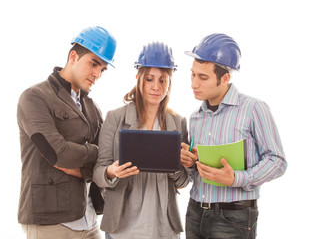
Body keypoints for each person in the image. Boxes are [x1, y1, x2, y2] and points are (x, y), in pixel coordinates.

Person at [180, 33, 287, 238]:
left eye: (203, 77)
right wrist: (189, 163)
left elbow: (278, 161)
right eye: (193, 74)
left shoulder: (254, 108)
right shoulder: (195, 117)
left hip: (233, 218)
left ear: (225, 78)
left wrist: (237, 178)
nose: (194, 83)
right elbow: (195, 176)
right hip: (194, 213)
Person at [17, 26, 117, 239]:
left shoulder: (92, 107)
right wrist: (95, 152)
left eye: (103, 69)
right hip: (51, 223)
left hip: (89, 221)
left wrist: (84, 170)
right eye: (93, 63)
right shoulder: (34, 98)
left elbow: (107, 160)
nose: (97, 74)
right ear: (73, 56)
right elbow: (57, 153)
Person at [93, 42, 189, 239]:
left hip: (163, 225)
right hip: (123, 224)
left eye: (163, 80)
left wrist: (177, 163)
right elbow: (98, 173)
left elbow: (183, 182)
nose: (156, 87)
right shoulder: (115, 118)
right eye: (149, 79)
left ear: (169, 83)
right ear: (138, 79)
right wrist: (112, 171)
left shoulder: (178, 123)